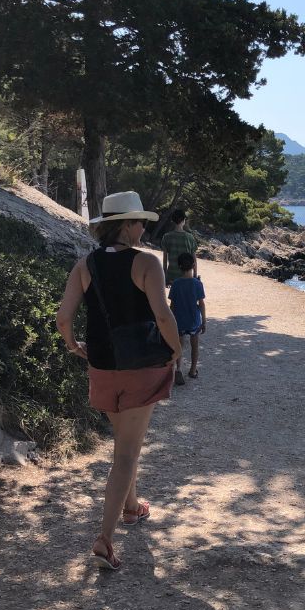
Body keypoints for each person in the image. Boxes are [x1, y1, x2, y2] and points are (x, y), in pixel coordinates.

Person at [56, 191, 181, 571]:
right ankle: (104, 539)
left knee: (125, 444)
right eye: (140, 221)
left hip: (102, 366)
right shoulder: (146, 263)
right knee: (125, 454)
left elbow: (63, 317)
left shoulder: (86, 264)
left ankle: (131, 507)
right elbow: (162, 315)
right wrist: (176, 350)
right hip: (141, 365)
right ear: (127, 225)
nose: (144, 227)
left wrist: (73, 345)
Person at [168, 252, 206, 385]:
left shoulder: (176, 284)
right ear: (194, 265)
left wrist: (170, 322)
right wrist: (204, 322)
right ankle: (193, 370)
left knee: (179, 345)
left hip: (179, 320)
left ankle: (178, 369)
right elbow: (201, 304)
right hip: (194, 320)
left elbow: (172, 305)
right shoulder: (197, 284)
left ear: (179, 266)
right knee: (194, 345)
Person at [161, 208, 198, 286]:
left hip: (171, 276)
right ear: (184, 220)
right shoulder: (190, 237)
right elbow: (194, 259)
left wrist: (164, 276)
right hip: (187, 276)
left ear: (173, 220)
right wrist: (195, 275)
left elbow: (165, 260)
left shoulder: (166, 237)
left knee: (174, 297)